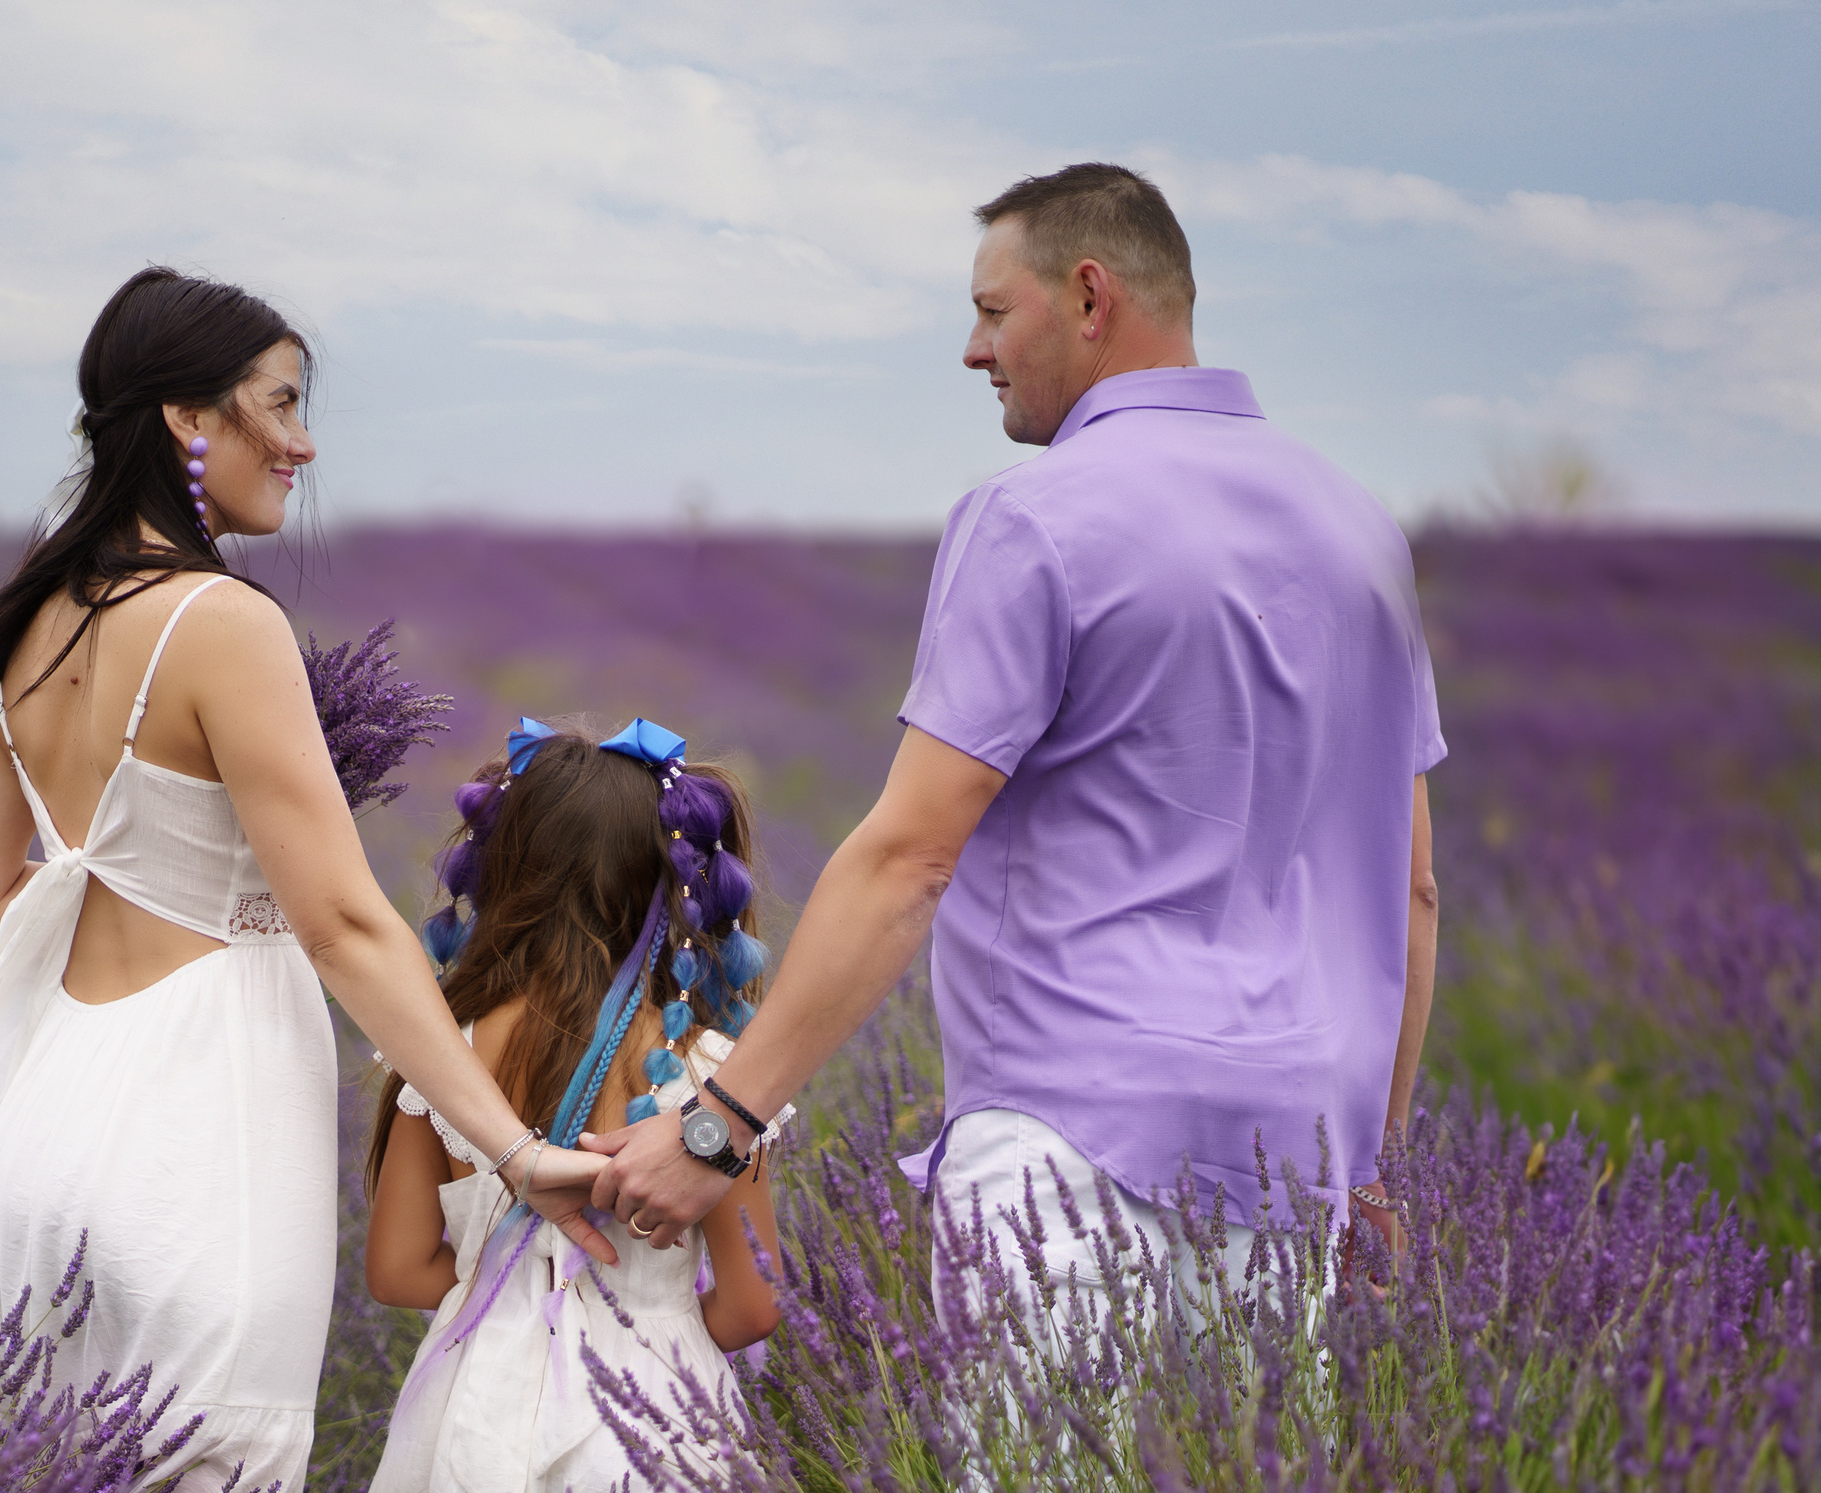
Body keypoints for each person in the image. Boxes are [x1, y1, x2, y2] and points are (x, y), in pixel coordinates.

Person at [589, 162, 1443, 1330]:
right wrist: (1370, 1167)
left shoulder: (1036, 514)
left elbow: (909, 860)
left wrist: (719, 1127)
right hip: (1293, 1163)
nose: (972, 351)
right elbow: (1412, 886)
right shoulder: (1361, 533)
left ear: (1089, 297)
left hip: (1069, 1146)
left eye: (994, 312)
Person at [0, 268, 616, 1493]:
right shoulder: (220, 622)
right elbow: (345, 922)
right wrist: (512, 1146)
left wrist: (151, 881)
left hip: (49, 1133)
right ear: (189, 420)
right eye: (280, 405)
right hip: (193, 1144)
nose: (302, 442)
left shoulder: (40, 608)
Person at [322, 719, 781, 1493]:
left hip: (464, 1434)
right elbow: (750, 1310)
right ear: (677, 890)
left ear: (502, 872)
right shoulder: (714, 1078)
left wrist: (507, 1277)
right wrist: (652, 1297)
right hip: (659, 1442)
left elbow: (398, 1272)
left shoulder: (441, 1055)